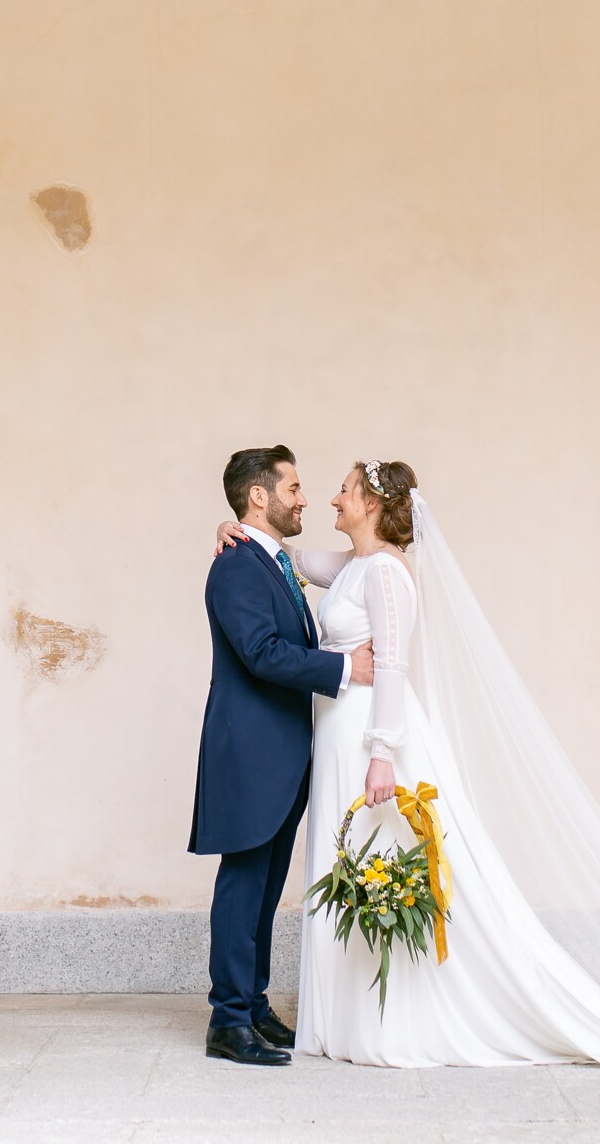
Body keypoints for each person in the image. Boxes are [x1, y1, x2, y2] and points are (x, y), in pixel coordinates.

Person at [214, 460, 600, 1069]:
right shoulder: (353, 566)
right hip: (336, 735)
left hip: (368, 735)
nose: (327, 499)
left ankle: (380, 1018)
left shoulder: (387, 573)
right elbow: (286, 560)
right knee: (348, 858)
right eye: (301, 488)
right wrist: (234, 529)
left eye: (343, 490)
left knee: (379, 854)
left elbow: (391, 666)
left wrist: (382, 755)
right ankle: (319, 1013)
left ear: (370, 503)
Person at [189, 446, 374, 1066]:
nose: (304, 499)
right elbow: (262, 653)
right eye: (293, 488)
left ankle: (253, 1004)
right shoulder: (237, 567)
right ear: (259, 496)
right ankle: (228, 1020)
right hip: (250, 754)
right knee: (243, 886)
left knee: (265, 890)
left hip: (282, 754)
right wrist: (345, 668)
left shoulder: (268, 558)